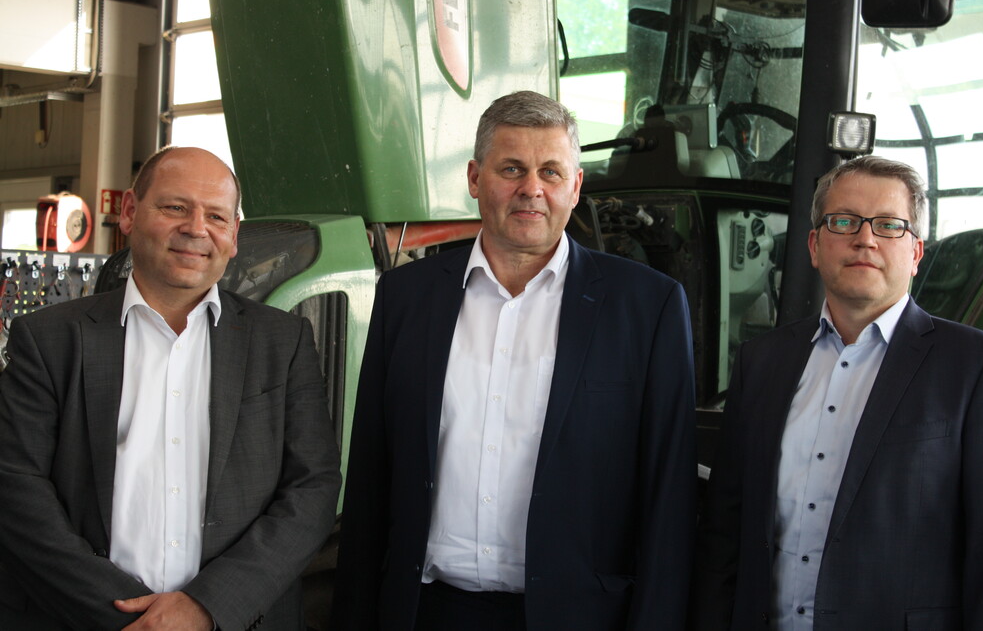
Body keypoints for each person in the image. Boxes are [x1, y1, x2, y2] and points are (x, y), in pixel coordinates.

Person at [331, 90, 696, 630]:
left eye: (551, 171)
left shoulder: (648, 307)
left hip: (577, 618)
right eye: (512, 169)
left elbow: (669, 501)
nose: (532, 188)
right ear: (475, 178)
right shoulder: (405, 297)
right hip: (425, 612)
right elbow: (369, 479)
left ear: (575, 186)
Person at [0, 146, 342, 630]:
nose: (196, 229)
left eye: (216, 216)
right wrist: (126, 616)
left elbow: (313, 488)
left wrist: (207, 606)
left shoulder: (282, 342)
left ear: (234, 235)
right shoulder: (49, 339)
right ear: (129, 212)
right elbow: (16, 486)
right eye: (175, 207)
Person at [693, 155, 983, 630]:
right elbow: (725, 534)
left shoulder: (978, 368)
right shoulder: (761, 362)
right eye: (844, 221)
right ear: (814, 245)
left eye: (888, 225)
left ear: (916, 252)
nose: (865, 238)